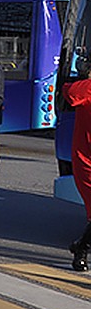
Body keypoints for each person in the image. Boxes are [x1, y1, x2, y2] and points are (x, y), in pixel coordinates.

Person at [62, 59, 91, 272]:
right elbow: (69, 92)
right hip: (87, 160)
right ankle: (81, 249)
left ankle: (80, 246)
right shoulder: (87, 89)